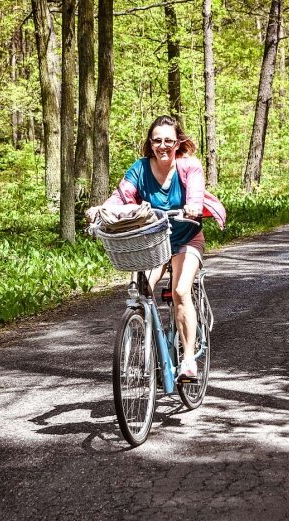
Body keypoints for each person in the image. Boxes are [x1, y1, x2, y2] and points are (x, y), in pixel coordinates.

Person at [86, 115, 226, 379]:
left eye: (169, 141)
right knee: (141, 292)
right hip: (154, 241)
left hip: (186, 237)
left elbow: (196, 191)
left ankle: (187, 361)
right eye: (157, 140)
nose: (163, 146)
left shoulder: (189, 167)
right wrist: (102, 209)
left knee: (181, 291)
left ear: (178, 143)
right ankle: (150, 343)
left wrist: (194, 206)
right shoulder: (139, 169)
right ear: (150, 143)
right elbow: (121, 196)